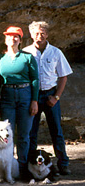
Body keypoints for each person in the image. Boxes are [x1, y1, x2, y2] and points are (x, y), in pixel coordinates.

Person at [23, 21, 73, 175]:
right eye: (37, 33)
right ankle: (29, 165)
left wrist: (56, 97)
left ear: (48, 34)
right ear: (31, 35)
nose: (40, 36)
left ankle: (63, 163)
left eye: (43, 32)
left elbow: (63, 76)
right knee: (31, 131)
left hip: (50, 95)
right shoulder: (26, 53)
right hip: (34, 96)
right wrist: (32, 99)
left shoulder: (56, 52)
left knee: (56, 130)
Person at [0, 26, 39, 179]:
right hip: (7, 97)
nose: (12, 39)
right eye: (9, 36)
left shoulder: (27, 57)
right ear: (5, 39)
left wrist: (34, 101)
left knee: (24, 135)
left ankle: (23, 168)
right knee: (7, 135)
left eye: (16, 36)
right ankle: (8, 169)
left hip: (25, 95)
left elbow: (35, 80)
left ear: (20, 39)